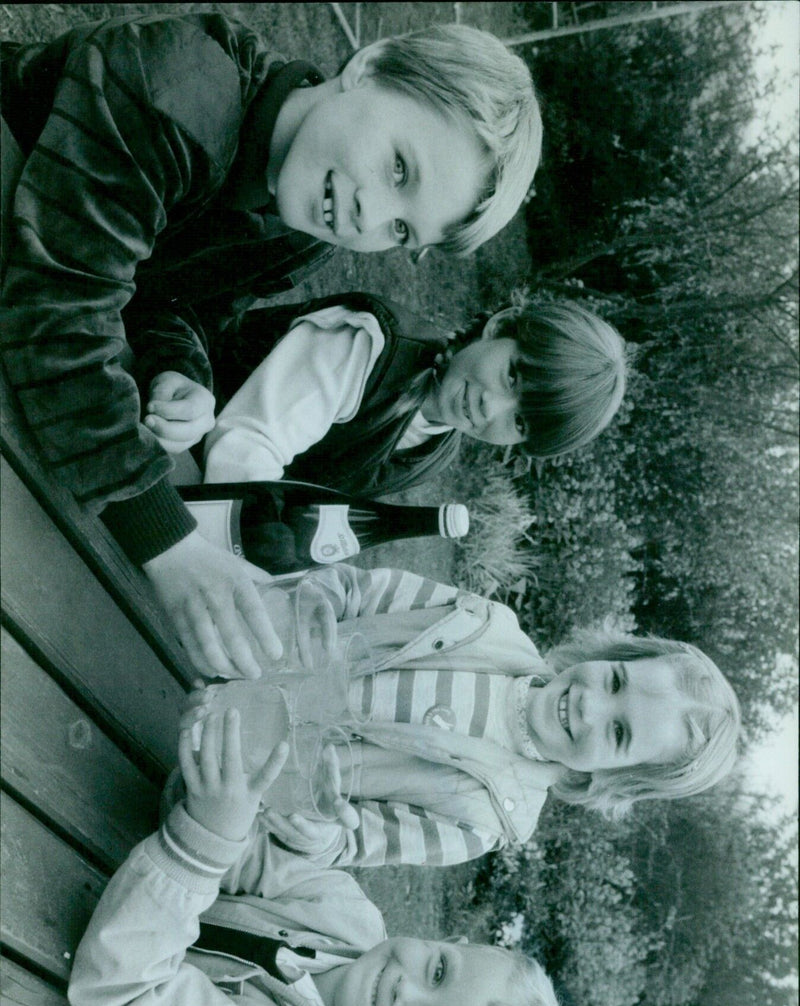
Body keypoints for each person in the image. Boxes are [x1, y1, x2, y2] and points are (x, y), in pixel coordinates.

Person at [0, 12, 541, 680]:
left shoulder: (299, 224)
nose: (369, 218)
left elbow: (179, 303)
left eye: (401, 231)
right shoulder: (183, 88)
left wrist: (180, 369)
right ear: (367, 67)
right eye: (398, 167)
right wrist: (167, 544)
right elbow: (58, 306)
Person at [67, 709, 571, 1006]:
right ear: (450, 943)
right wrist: (257, 810)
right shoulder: (350, 916)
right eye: (438, 970)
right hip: (85, 921)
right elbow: (239, 853)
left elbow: (121, 994)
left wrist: (205, 841)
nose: (406, 989)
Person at [178, 563, 742, 874]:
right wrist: (302, 609)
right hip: (219, 652)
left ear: (612, 780)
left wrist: (315, 832)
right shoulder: (481, 623)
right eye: (615, 682)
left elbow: (352, 844)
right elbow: (355, 591)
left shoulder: (484, 819)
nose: (591, 705)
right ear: (610, 656)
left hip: (215, 777)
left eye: (619, 733)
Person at [137, 289, 627, 495]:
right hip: (159, 405)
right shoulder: (373, 345)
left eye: (519, 423)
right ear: (499, 326)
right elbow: (247, 446)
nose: (489, 406)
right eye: (514, 375)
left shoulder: (435, 449)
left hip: (196, 486)